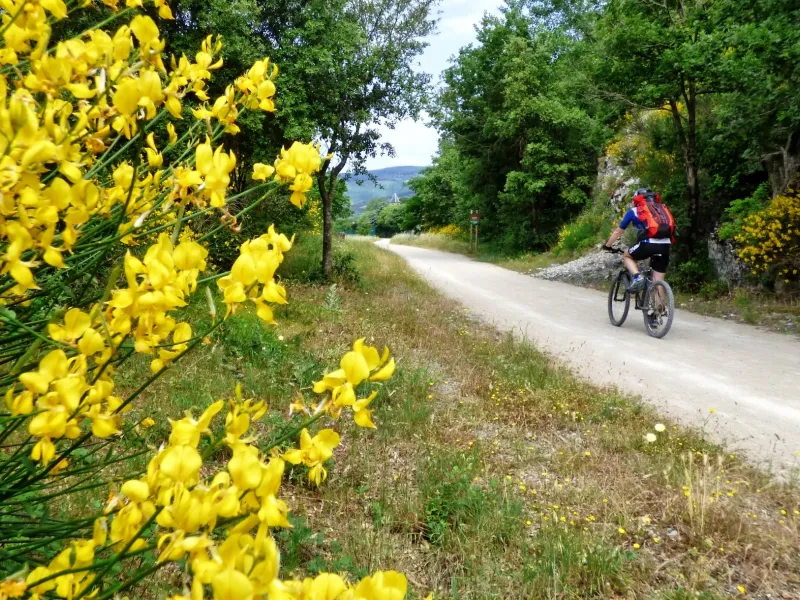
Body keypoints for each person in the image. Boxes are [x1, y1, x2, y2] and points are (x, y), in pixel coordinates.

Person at [603, 188, 671, 293]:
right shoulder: (661, 209)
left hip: (647, 244)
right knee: (658, 281)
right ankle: (660, 308)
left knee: (627, 255)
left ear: (637, 199)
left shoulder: (634, 211)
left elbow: (618, 232)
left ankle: (638, 277)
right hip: (665, 245)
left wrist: (608, 245)